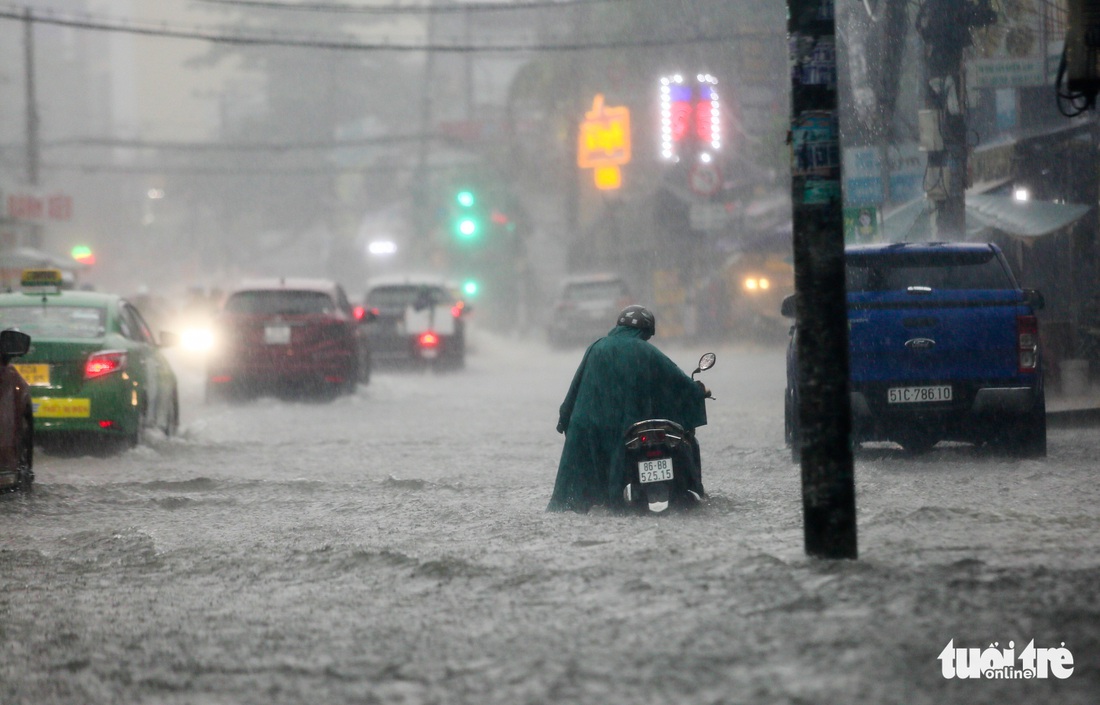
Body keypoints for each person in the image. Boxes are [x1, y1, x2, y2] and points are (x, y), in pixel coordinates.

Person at [547, 305, 709, 513]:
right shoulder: (646, 350)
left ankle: (590, 503)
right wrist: (696, 391)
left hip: (588, 425)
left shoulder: (596, 347)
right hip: (623, 424)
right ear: (646, 330)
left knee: (586, 489)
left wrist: (566, 416)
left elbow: (575, 387)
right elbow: (676, 381)